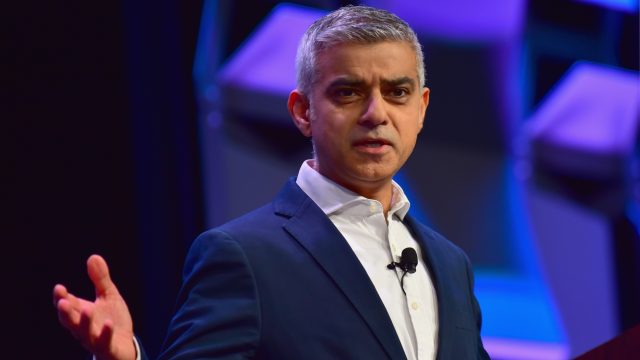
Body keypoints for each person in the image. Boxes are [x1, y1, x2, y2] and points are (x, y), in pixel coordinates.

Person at [54, 5, 489, 360]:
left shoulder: (451, 264)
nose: (377, 113)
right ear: (303, 111)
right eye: (348, 93)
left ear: (421, 108)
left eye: (397, 92)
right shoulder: (242, 256)